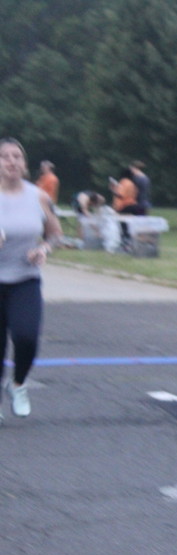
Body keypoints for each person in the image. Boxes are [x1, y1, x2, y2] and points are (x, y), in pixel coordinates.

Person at [0, 138, 63, 423]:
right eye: (5, 156)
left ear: (25, 164)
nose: (11, 161)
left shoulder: (38, 196)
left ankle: (18, 384)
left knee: (26, 336)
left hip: (25, 279)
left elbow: (55, 234)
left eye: (17, 156)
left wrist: (44, 249)